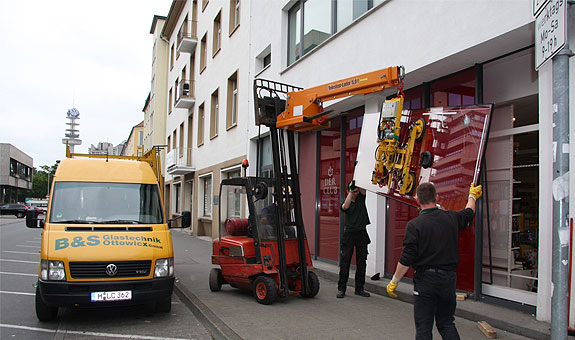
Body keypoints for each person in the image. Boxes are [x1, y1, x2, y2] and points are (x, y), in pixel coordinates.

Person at [386, 182, 483, 340]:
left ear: (417, 201)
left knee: (424, 328)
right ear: (436, 197)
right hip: (448, 280)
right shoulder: (451, 218)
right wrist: (472, 195)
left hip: (426, 282)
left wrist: (394, 281)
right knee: (446, 323)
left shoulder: (415, 225)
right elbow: (469, 212)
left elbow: (406, 258)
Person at [337, 180, 371, 298]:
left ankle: (359, 288)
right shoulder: (346, 202)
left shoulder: (361, 198)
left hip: (361, 232)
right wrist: (351, 192)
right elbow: (345, 207)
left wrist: (359, 178)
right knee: (345, 262)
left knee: (362, 262)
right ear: (349, 191)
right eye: (354, 191)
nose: (356, 193)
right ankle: (341, 289)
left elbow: (364, 190)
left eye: (357, 191)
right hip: (349, 234)